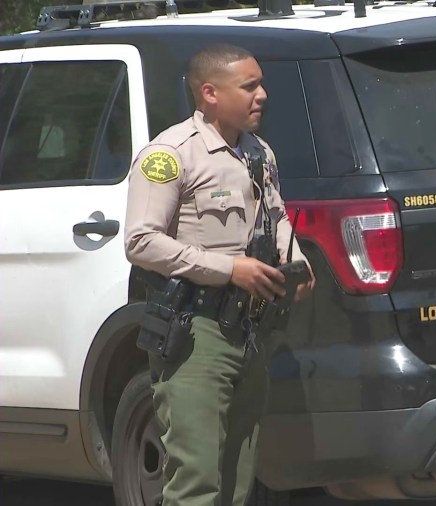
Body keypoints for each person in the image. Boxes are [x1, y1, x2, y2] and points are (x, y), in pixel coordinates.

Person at [124, 43, 315, 506]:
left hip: (248, 330)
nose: (262, 95)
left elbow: (275, 215)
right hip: (196, 333)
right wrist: (231, 269)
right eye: (249, 86)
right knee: (197, 481)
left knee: (237, 478)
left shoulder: (257, 151)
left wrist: (299, 260)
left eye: (260, 83)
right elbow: (140, 241)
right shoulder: (171, 155)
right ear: (210, 93)